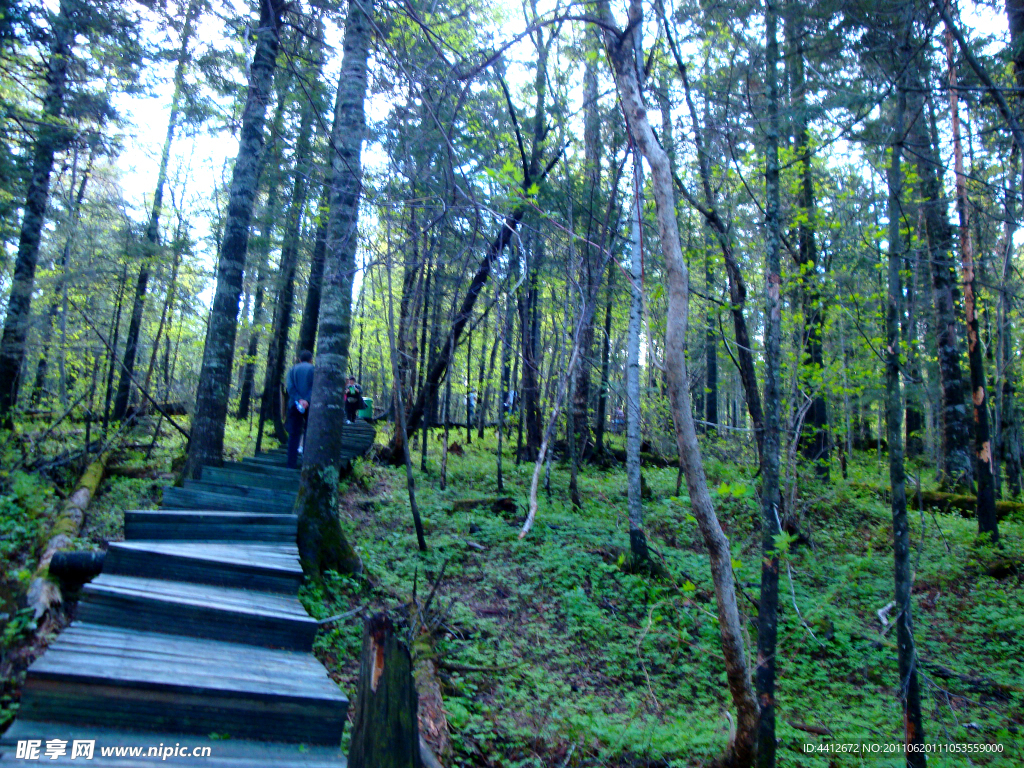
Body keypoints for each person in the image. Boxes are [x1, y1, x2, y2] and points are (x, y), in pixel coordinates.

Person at [285, 351, 315, 469]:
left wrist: (298, 399)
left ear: (299, 359)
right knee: (309, 432)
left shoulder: (292, 370)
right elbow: (314, 387)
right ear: (311, 360)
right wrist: (306, 400)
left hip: (294, 404)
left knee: (293, 434)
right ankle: (306, 463)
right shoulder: (313, 369)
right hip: (310, 405)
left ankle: (291, 464)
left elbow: (290, 388)